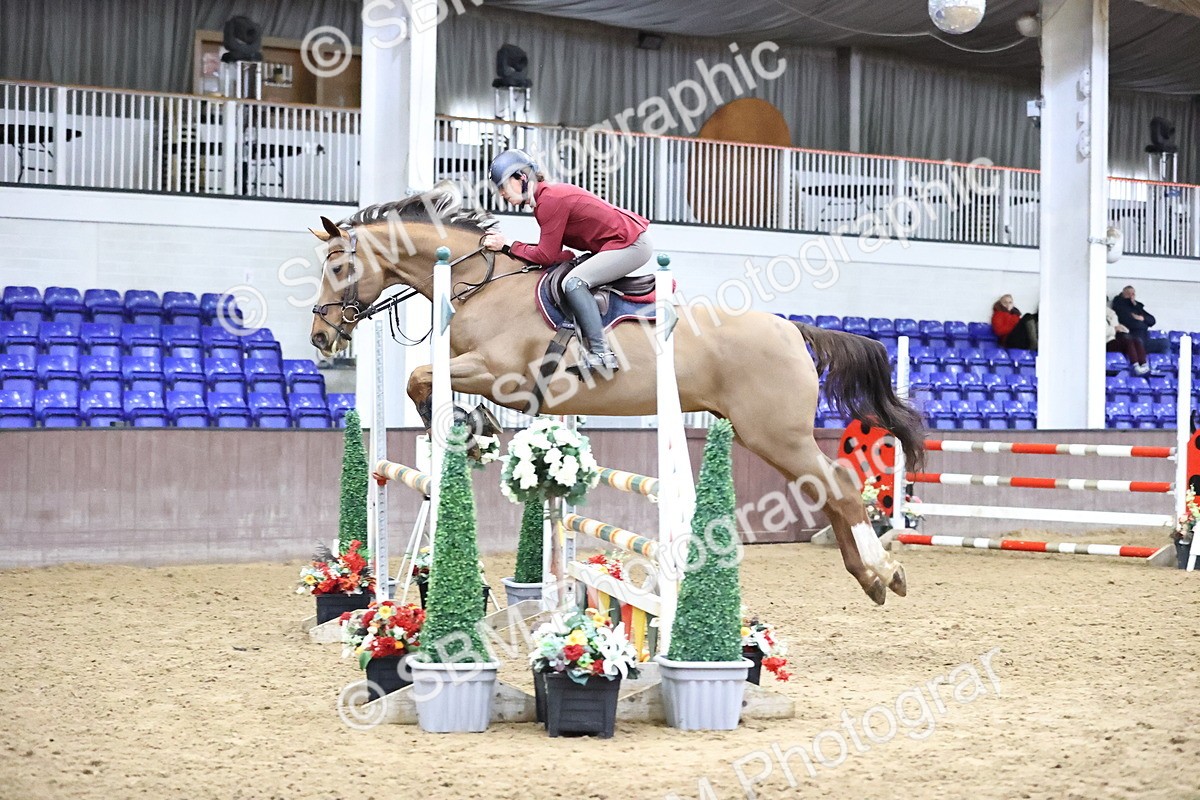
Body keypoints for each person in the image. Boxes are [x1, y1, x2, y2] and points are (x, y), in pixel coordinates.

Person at [481, 149, 653, 373]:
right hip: (619, 243)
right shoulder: (544, 200)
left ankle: (602, 354)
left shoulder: (549, 201)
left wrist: (508, 245)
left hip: (631, 245)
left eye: (503, 186)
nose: (501, 194)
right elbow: (553, 254)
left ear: (521, 178)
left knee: (574, 283)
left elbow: (545, 256)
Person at [1111, 286, 1169, 358]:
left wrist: (1142, 318)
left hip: (1145, 339)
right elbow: (1131, 323)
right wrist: (1144, 323)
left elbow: (1152, 320)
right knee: (1137, 342)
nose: (1131, 296)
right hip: (1132, 339)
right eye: (1129, 294)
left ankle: (1162, 365)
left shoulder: (1137, 306)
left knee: (1165, 343)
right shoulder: (1119, 306)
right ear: (1123, 294)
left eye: (1133, 294)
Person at [1106, 302, 1148, 374]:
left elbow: (1116, 324)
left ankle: (1144, 364)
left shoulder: (1110, 315)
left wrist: (1120, 328)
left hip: (1114, 339)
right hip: (1105, 343)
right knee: (1128, 342)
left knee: (1136, 341)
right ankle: (1135, 366)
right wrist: (1114, 329)